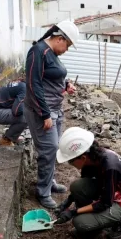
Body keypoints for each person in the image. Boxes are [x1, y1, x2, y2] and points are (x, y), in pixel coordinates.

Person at [25, 20, 80, 209]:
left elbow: (53, 76)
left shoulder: (52, 54)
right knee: (48, 150)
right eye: (68, 45)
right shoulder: (38, 52)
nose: (67, 49)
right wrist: (44, 114)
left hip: (55, 109)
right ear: (59, 39)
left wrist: (66, 86)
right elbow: (34, 85)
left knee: (53, 148)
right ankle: (43, 191)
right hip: (43, 111)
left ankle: (49, 182)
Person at [54, 127, 121, 239]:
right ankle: (95, 220)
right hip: (108, 190)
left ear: (83, 157)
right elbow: (85, 183)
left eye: (71, 161)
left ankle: (119, 222)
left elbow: (105, 203)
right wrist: (67, 202)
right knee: (77, 186)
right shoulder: (91, 158)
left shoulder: (110, 167)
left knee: (80, 223)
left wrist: (73, 212)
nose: (70, 163)